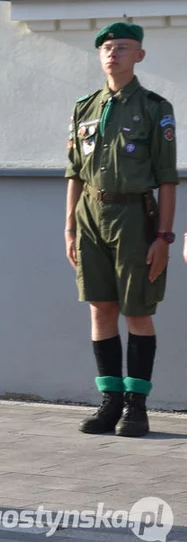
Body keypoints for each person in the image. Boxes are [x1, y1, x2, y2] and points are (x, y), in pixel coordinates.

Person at [66, 22, 177, 439]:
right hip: (90, 214)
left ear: (140, 56)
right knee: (101, 308)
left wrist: (163, 237)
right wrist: (69, 228)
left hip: (134, 215)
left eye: (123, 47)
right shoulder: (85, 107)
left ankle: (137, 406)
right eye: (107, 47)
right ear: (100, 56)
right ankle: (110, 401)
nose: (113, 53)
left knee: (137, 312)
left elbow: (167, 177)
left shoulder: (154, 107)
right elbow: (74, 172)